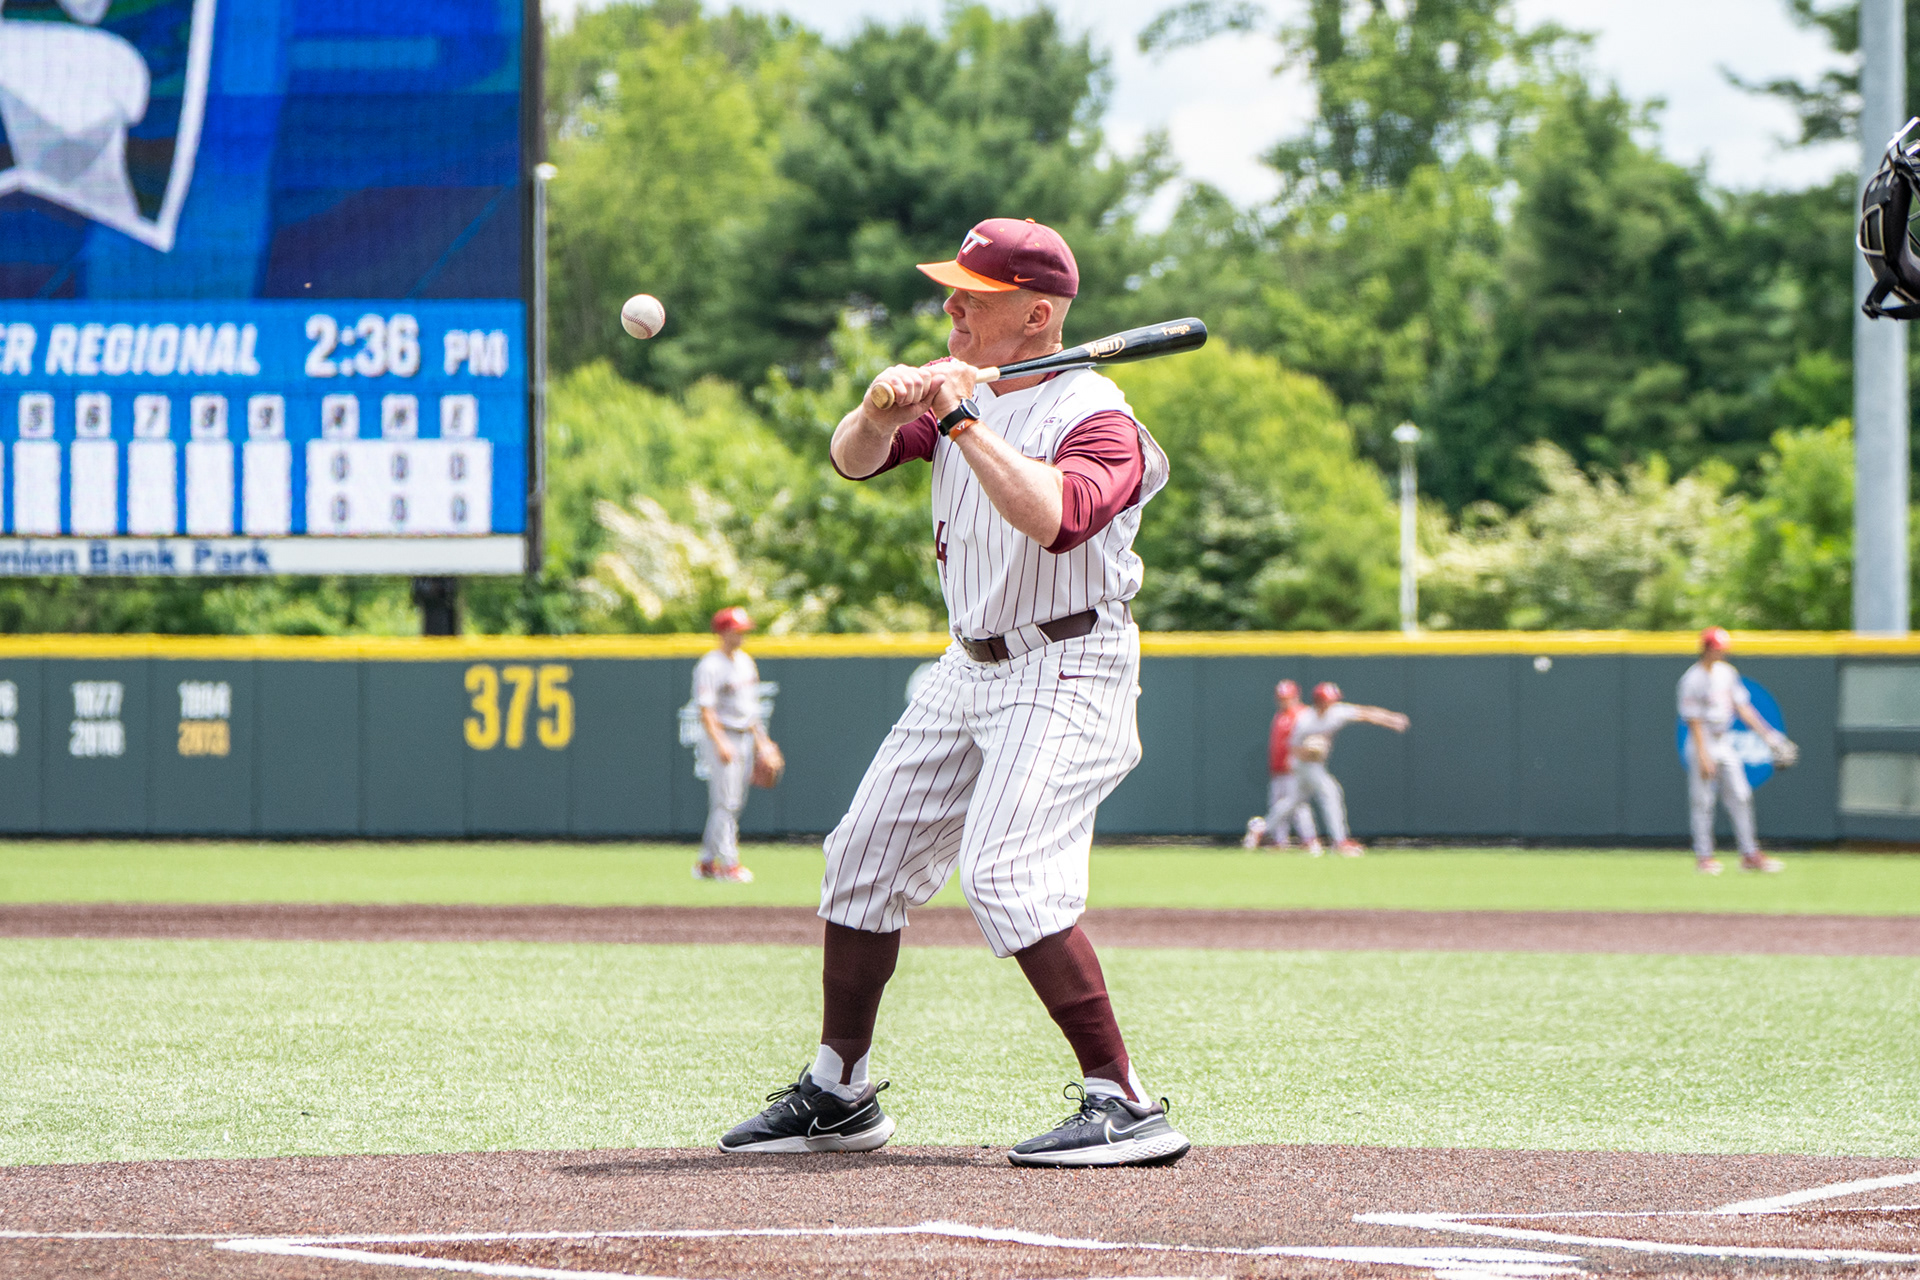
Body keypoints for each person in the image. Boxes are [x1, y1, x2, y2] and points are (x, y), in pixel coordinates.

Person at [716, 217, 1190, 1168]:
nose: (951, 307)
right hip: (969, 662)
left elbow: (1056, 518)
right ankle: (839, 1092)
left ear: (1039, 316)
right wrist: (879, 413)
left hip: (1069, 663)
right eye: (952, 290)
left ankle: (1125, 1100)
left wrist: (962, 418)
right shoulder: (967, 386)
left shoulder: (1101, 418)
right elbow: (852, 459)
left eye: (975, 295)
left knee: (1008, 872)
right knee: (861, 858)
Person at [1678, 627, 1786, 875]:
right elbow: (1693, 720)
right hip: (1701, 740)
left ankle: (1749, 854)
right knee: (1703, 801)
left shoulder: (1726, 673)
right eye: (1717, 648)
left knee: (1740, 795)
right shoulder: (1692, 679)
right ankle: (1704, 857)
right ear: (1706, 649)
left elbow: (1743, 708)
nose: (1722, 653)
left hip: (1723, 739)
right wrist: (1704, 755)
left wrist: (1768, 736)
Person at [690, 606, 775, 883]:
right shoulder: (710, 665)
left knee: (731, 804)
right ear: (723, 631)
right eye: (738, 630)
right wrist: (720, 742)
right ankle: (729, 864)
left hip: (745, 735)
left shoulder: (745, 662)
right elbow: (706, 711)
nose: (742, 635)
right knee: (726, 803)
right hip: (724, 735)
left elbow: (751, 711)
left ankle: (705, 863)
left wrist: (764, 743)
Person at [1284, 682, 1410, 856]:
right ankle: (1339, 841)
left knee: (1294, 801)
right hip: (1301, 763)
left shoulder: (1337, 711)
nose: (1332, 703)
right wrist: (1310, 752)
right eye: (1328, 700)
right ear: (1319, 701)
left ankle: (1263, 829)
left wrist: (1391, 719)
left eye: (1333, 700)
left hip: (1316, 763)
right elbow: (1292, 749)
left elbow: (1366, 714)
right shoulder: (1305, 719)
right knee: (1330, 791)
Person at [1244, 679, 1323, 854]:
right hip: (1278, 770)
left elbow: (1312, 740)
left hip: (1295, 771)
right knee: (1277, 806)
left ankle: (1310, 841)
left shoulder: (1303, 714)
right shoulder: (1280, 715)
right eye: (1281, 697)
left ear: (1296, 696)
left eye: (1287, 696)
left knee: (1297, 807)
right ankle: (1280, 842)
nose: (1283, 700)